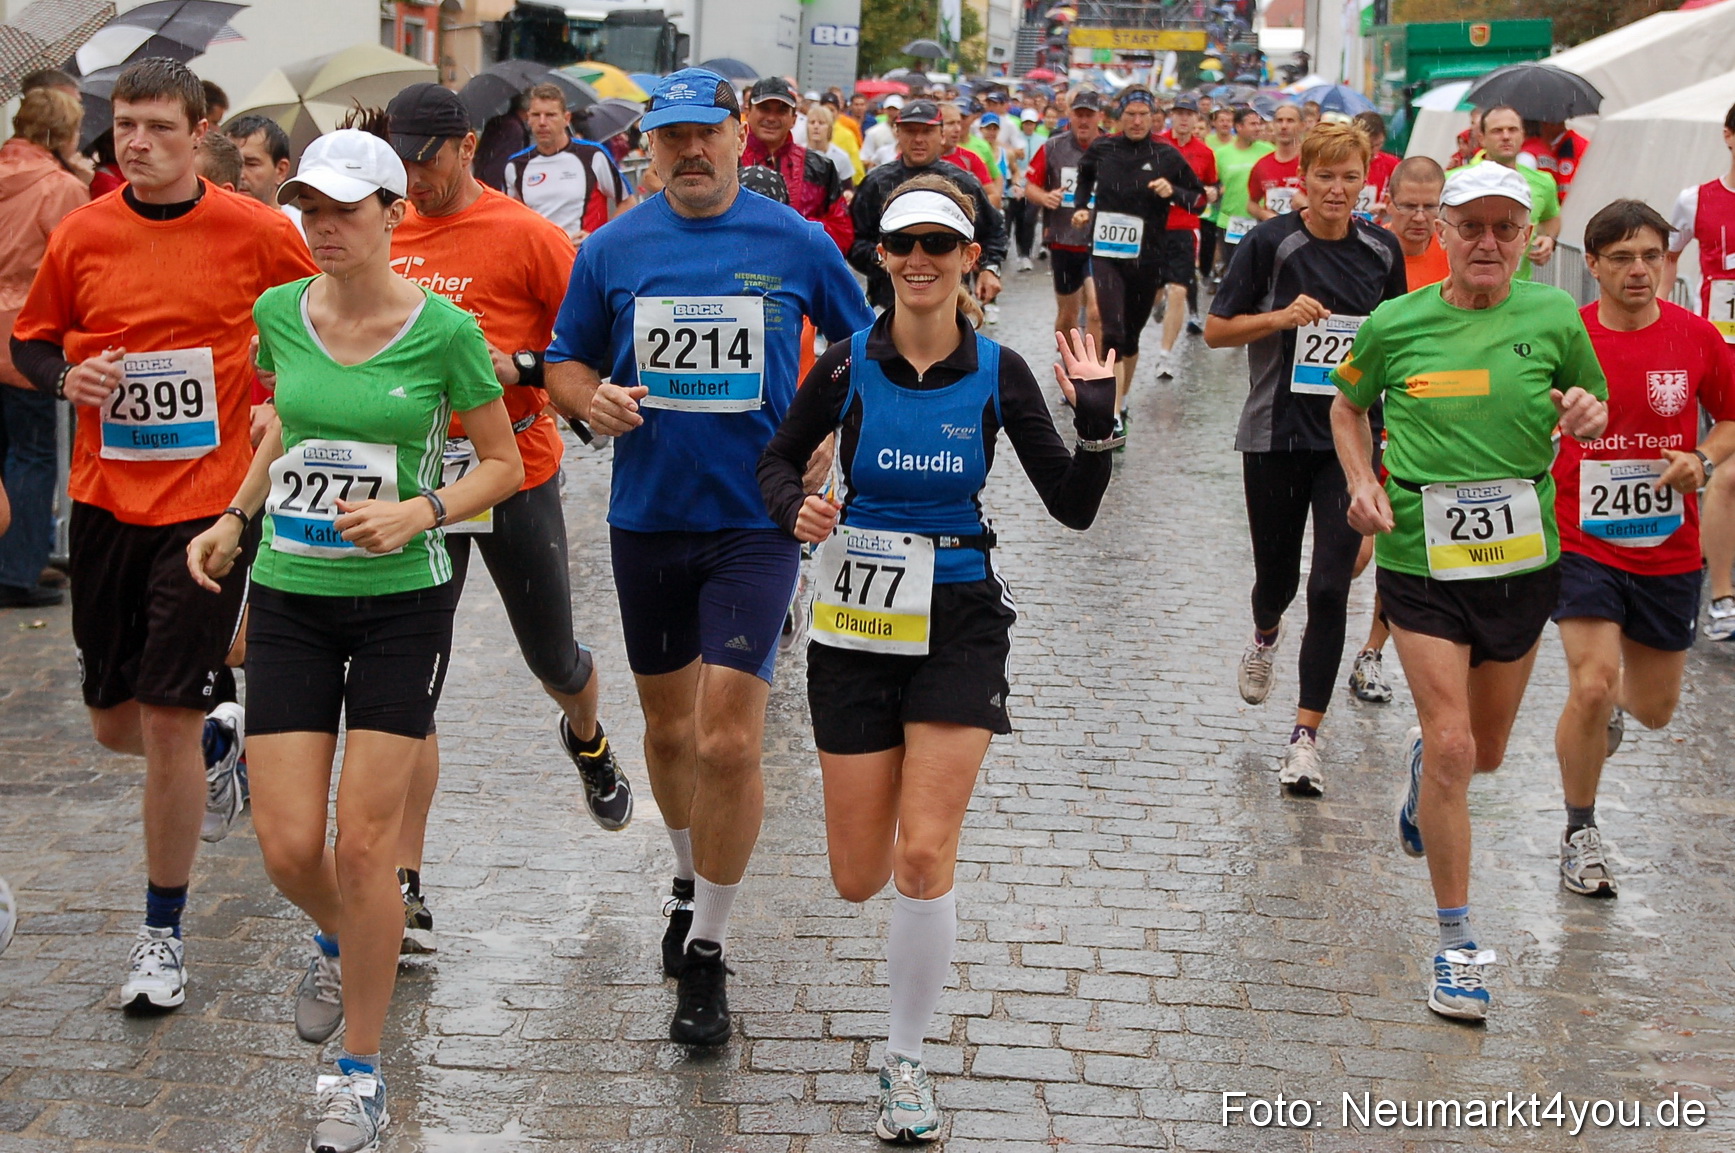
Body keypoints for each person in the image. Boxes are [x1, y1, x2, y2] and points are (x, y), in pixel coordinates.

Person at [757, 175, 1114, 1145]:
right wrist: (796, 504)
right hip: (857, 628)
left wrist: (1096, 422)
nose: (919, 258)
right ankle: (905, 948)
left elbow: (1072, 506)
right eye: (902, 242)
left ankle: (904, 1061)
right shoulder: (842, 367)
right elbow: (775, 462)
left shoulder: (998, 372)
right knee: (857, 874)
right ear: (880, 256)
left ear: (970, 262)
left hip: (959, 618)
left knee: (922, 852)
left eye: (939, 244)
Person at [185, 127, 521, 1153]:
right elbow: (285, 423)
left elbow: (501, 464)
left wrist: (420, 512)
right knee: (290, 847)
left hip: (400, 604)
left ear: (390, 213)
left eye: (341, 209)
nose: (322, 228)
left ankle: (358, 1072)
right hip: (291, 593)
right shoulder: (279, 312)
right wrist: (237, 515)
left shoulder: (446, 332)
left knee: (364, 846)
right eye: (309, 210)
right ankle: (343, 936)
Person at [542, 68, 874, 1048]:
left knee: (729, 737)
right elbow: (564, 356)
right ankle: (686, 877)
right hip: (648, 516)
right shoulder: (612, 248)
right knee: (669, 734)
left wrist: (831, 430)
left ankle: (709, 953)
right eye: (671, 138)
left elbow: (869, 344)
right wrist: (584, 398)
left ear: (739, 138)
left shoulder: (796, 241)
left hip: (755, 518)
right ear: (649, 147)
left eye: (706, 135)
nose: (690, 154)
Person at [8, 57, 316, 1011]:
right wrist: (68, 381)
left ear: (199, 134)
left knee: (168, 718)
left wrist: (279, 405)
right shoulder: (84, 230)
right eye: (123, 126)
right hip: (104, 501)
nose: (134, 142)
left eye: (156, 127)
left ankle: (160, 933)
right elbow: (32, 338)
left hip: (209, 510)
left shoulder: (259, 231)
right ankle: (224, 746)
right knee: (115, 724)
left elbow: (323, 319)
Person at [1329, 163, 1608, 1021]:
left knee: (1479, 754)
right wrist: (1359, 482)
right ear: (1441, 232)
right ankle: (1455, 945)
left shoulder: (1555, 314)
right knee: (1453, 744)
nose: (1487, 243)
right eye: (1471, 227)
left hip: (1522, 563)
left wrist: (1587, 412)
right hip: (1421, 560)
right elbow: (1346, 407)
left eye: (1504, 229)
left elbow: (1588, 394)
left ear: (1528, 238)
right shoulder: (1395, 321)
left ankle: (1425, 775)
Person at [377, 83, 631, 955]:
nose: (414, 175)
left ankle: (590, 738)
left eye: (428, 156)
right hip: (414, 487)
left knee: (552, 655)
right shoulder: (381, 229)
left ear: (469, 145)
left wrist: (515, 363)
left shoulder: (528, 236)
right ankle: (403, 886)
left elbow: (578, 348)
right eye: (401, 157)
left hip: (515, 471)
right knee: (410, 684)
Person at [1205, 122, 1407, 796]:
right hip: (1273, 434)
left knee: (1329, 586)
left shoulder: (1380, 249)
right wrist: (1280, 318)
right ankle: (1264, 631)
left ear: (1365, 180)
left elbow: (1400, 337)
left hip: (1349, 439)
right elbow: (1215, 330)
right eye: (1324, 176)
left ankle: (1304, 739)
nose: (1336, 189)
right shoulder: (1269, 243)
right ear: (1302, 180)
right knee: (1278, 582)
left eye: (1349, 177)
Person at [1550, 200, 1735, 898]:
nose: (1638, 270)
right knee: (1590, 681)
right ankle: (1579, 830)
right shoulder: (1565, 334)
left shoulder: (1694, 338)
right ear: (1590, 264)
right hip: (1580, 537)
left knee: (1654, 709)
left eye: (1650, 256)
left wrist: (1701, 457)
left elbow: (1730, 417)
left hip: (1666, 545)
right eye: (1621, 257)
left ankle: (1604, 716)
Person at [1071, 87, 1204, 435]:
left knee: (1131, 336)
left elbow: (1200, 200)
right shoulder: (1103, 147)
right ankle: (1112, 414)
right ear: (1118, 117)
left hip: (1148, 257)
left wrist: (1173, 192)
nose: (1136, 121)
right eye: (1130, 114)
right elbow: (1084, 177)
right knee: (1110, 328)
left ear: (1153, 118)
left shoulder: (1167, 155)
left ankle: (1123, 399)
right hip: (1105, 251)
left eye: (1143, 115)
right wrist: (1082, 207)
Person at [0, 88, 87, 608]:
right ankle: (17, 568)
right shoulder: (59, 188)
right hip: (26, 333)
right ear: (61, 135)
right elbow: (78, 258)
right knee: (33, 454)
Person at [1663, 101, 1735, 639]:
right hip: (1722, 350)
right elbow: (1668, 254)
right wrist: (1663, 314)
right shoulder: (1697, 199)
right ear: (1728, 137)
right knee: (1724, 471)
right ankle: (1722, 597)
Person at [851, 99, 1006, 312]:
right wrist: (888, 257)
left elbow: (994, 231)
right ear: (897, 132)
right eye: (910, 131)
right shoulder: (876, 183)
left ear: (941, 134)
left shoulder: (963, 183)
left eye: (926, 131)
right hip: (889, 300)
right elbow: (853, 239)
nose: (918, 139)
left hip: (951, 302)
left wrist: (990, 269)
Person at [1023, 88, 1104, 342]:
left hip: (1099, 241)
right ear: (1070, 115)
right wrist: (1045, 197)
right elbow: (1030, 186)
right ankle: (1070, 358)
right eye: (1078, 114)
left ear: (1099, 117)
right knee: (1067, 315)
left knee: (1096, 310)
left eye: (1089, 115)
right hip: (1063, 239)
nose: (1083, 121)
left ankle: (1095, 369)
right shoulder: (1053, 147)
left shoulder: (1111, 148)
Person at [506, 82, 630, 247]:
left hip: (581, 260)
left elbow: (628, 203)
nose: (542, 122)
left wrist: (600, 238)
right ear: (528, 118)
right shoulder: (515, 166)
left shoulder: (592, 156)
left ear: (566, 118)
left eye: (550, 115)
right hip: (540, 263)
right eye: (536, 115)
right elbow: (508, 219)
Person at [743, 76, 853, 255]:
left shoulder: (820, 166)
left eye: (781, 110)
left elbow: (842, 233)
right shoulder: (726, 159)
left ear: (794, 119)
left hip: (799, 276)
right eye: (764, 108)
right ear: (748, 112)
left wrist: (798, 229)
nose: (771, 118)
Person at [1448, 106, 1559, 281]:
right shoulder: (1454, 180)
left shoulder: (1543, 182)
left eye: (1512, 130)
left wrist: (1549, 239)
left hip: (1518, 291)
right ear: (1482, 138)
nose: (1506, 136)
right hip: (1466, 288)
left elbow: (1552, 217)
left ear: (1523, 135)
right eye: (1497, 131)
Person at [1161, 93, 1219, 336]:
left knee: (1183, 280)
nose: (1183, 119)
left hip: (1186, 223)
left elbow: (1213, 184)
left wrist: (1212, 193)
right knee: (1152, 279)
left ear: (1196, 118)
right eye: (1179, 113)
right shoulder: (1158, 143)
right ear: (1171, 116)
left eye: (1189, 114)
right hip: (1155, 221)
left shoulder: (1204, 152)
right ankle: (1155, 303)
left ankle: (1192, 315)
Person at [1207, 106, 1274, 275]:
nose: (1258, 128)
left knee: (1258, 271)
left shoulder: (1268, 150)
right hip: (1230, 221)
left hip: (1260, 220)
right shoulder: (1221, 154)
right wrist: (1214, 191)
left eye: (1259, 124)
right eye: (1252, 124)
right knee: (1235, 272)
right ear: (1238, 127)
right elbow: (1211, 182)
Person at [1382, 156, 1450, 291]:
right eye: (1409, 206)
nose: (1419, 218)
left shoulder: (1455, 254)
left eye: (1430, 207)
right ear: (1388, 204)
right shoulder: (1368, 253)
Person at [223, 113, 293, 207]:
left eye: (251, 164)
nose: (240, 174)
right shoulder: (206, 218)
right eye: (231, 163)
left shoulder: (297, 221)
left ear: (281, 170)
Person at [1248, 103, 1302, 220]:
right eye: (1279, 121)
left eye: (1290, 121)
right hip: (1274, 235)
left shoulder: (1313, 162)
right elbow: (1252, 204)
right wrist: (1265, 215)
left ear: (1302, 125)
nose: (1284, 126)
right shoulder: (1262, 165)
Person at [1353, 111, 1400, 220]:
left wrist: (1387, 205)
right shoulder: (1341, 161)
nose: (1373, 151)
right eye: (1367, 145)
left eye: (1378, 144)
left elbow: (1405, 197)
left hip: (1374, 227)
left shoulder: (1392, 164)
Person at [805, 102, 855, 187]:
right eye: (812, 122)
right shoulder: (797, 154)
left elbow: (848, 189)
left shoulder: (841, 157)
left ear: (829, 128)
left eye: (821, 123)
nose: (816, 127)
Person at [863, 94, 902, 166]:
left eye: (895, 109)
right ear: (884, 110)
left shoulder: (908, 134)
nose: (892, 112)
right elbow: (864, 157)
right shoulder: (873, 132)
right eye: (889, 109)